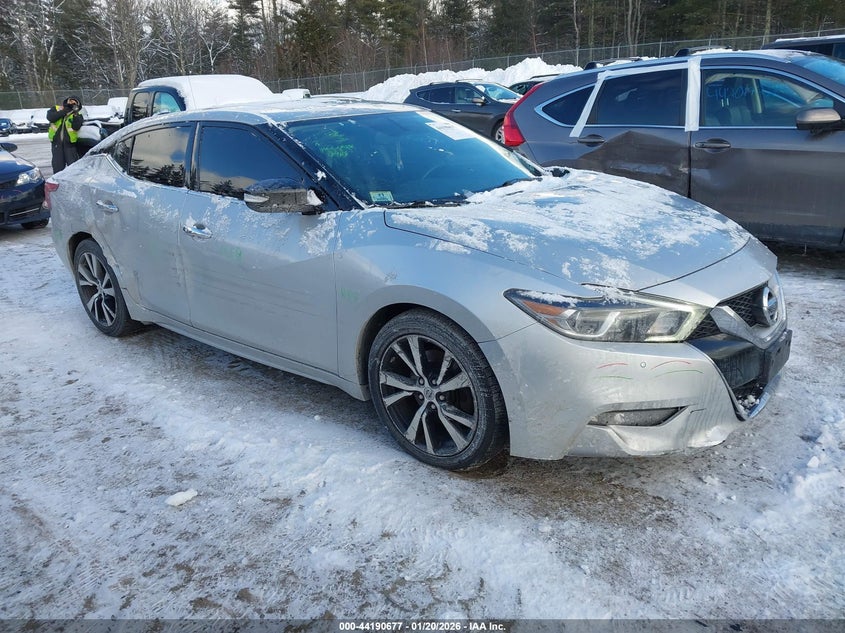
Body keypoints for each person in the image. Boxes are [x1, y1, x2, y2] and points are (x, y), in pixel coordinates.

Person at [46, 96, 84, 173]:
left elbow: (76, 127)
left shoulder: (77, 114)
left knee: (73, 168)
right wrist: (64, 111)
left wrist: (75, 114)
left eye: (74, 103)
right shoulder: (57, 108)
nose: (71, 104)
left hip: (70, 145)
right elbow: (50, 117)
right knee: (58, 167)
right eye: (70, 101)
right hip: (57, 144)